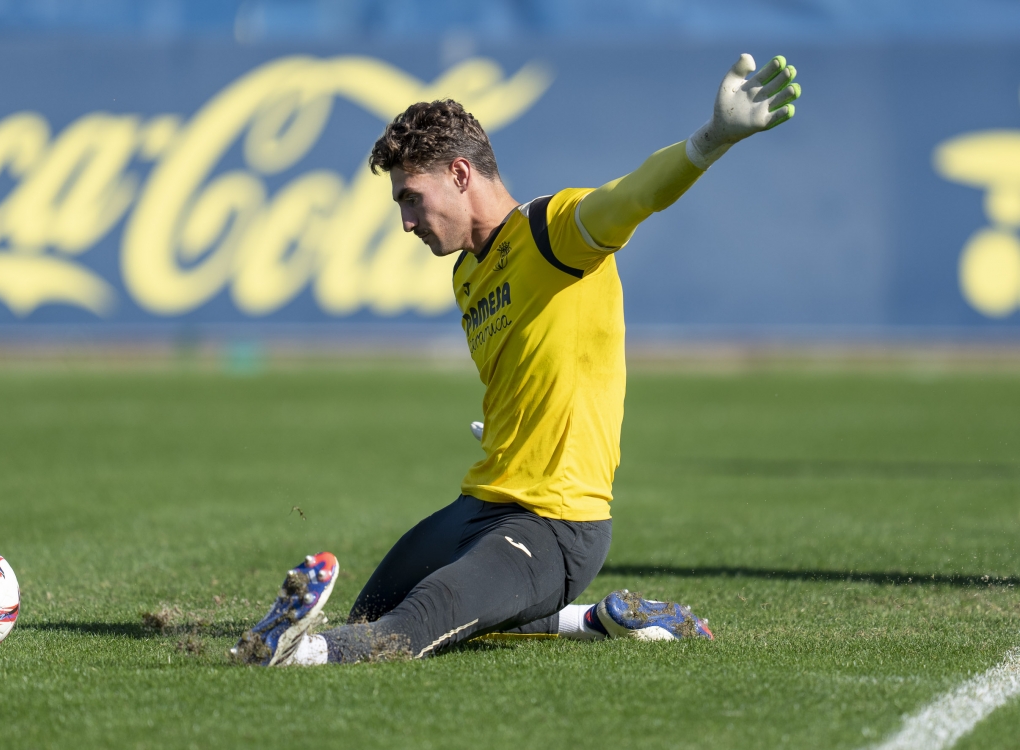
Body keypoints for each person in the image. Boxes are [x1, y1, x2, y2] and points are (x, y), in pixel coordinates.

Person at [232, 53, 801, 666]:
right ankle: (591, 621)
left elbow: (636, 194)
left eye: (411, 199)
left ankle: (292, 654)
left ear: (459, 173)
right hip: (482, 504)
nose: (406, 222)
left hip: (556, 526)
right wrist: (513, 427)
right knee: (369, 615)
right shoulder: (466, 274)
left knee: (413, 624)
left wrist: (713, 138)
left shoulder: (553, 233)